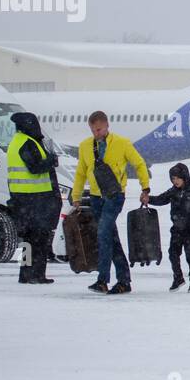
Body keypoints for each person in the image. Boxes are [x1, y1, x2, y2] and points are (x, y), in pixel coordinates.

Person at [70, 110, 151, 295]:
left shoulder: (122, 143)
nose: (96, 134)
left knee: (103, 233)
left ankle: (102, 280)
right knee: (110, 238)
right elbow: (81, 173)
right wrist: (76, 196)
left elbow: (139, 164)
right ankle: (124, 281)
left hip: (115, 195)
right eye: (93, 130)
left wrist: (145, 187)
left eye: (99, 129)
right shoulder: (85, 146)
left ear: (107, 126)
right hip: (96, 197)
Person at [6, 111, 61, 285]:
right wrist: (52, 160)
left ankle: (25, 273)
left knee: (28, 240)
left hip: (21, 198)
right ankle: (36, 274)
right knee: (39, 238)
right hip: (35, 198)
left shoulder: (16, 142)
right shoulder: (28, 143)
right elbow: (35, 167)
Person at [148, 162, 190, 292]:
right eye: (173, 179)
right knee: (173, 254)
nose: (175, 181)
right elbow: (161, 199)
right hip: (177, 228)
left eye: (177, 178)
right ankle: (178, 278)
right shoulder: (173, 191)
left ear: (184, 177)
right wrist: (149, 199)